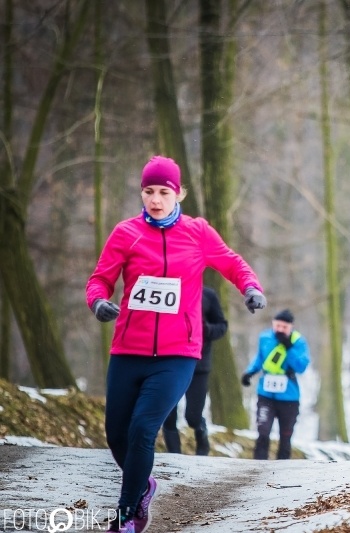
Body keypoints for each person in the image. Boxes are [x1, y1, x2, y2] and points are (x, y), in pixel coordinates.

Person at [86, 155, 266, 533]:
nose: (155, 199)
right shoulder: (126, 233)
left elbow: (232, 263)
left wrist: (250, 288)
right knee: (117, 434)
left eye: (163, 192)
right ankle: (144, 484)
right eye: (149, 191)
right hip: (128, 350)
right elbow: (100, 279)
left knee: (142, 429)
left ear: (178, 193)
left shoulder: (198, 232)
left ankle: (126, 516)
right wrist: (99, 301)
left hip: (177, 354)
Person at [161, 285, 228, 455]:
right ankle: (174, 455)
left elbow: (222, 325)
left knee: (193, 416)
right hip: (169, 361)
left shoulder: (207, 294)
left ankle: (202, 441)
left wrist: (207, 330)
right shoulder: (165, 289)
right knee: (167, 413)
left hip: (199, 364)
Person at [241, 308, 310, 460]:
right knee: (263, 431)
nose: (280, 329)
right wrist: (250, 372)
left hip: (289, 396)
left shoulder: (298, 342)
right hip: (266, 393)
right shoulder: (265, 337)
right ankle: (258, 466)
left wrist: (288, 348)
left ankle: (282, 470)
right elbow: (260, 358)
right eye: (277, 325)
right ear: (273, 324)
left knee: (285, 436)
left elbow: (301, 366)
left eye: (284, 327)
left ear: (291, 327)